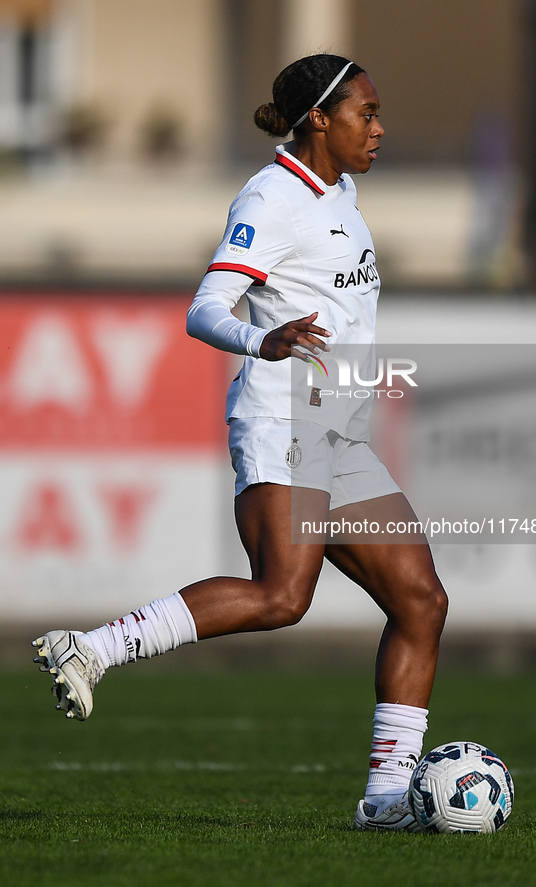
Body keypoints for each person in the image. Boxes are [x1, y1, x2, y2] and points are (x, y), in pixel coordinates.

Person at [32, 54, 448, 832]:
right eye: (366, 113)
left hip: (340, 425)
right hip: (283, 416)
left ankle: (388, 801)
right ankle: (89, 648)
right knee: (281, 596)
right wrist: (265, 342)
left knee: (420, 598)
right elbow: (205, 307)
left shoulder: (342, 191)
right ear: (319, 119)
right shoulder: (270, 197)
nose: (379, 127)